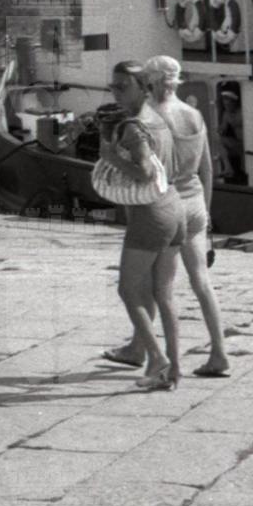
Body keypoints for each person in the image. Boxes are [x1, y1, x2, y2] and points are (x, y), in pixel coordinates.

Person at [101, 56, 231, 378]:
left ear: (151, 82)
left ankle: (145, 352)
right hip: (195, 200)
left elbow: (146, 174)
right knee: (201, 281)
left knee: (154, 285)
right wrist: (207, 215)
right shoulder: (194, 114)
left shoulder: (150, 117)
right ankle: (219, 353)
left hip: (165, 203)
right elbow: (206, 168)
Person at [98, 59, 183, 390]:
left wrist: (111, 158)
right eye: (113, 86)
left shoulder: (133, 127)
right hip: (174, 207)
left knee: (128, 289)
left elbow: (146, 172)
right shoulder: (159, 119)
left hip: (150, 214)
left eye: (123, 86)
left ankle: (157, 359)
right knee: (163, 294)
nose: (116, 92)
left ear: (145, 89)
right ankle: (173, 371)